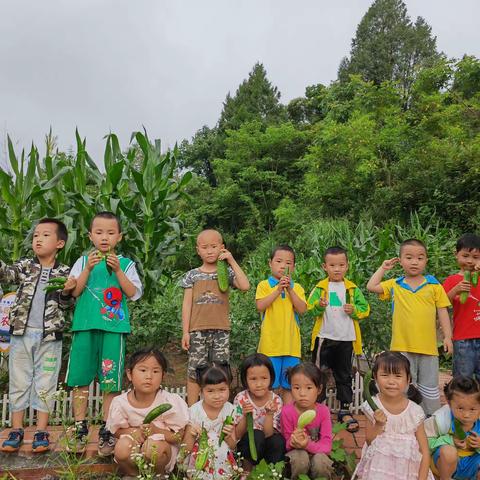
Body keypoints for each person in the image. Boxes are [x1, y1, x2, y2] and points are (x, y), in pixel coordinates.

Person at [66, 211, 143, 455]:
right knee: (79, 379)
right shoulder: (82, 261)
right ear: (90, 236)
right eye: (99, 232)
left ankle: (107, 429)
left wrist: (119, 271)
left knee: (111, 381)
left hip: (114, 328)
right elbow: (75, 291)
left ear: (119, 237)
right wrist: (87, 269)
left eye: (110, 233)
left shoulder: (127, 264)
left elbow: (132, 293)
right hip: (85, 326)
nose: (104, 237)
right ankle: (80, 427)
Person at [0, 218, 76, 453]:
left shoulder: (65, 272)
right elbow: (6, 275)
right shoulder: (25, 266)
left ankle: (41, 431)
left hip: (50, 337)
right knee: (19, 381)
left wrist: (66, 290)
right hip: (21, 334)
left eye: (45, 235)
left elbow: (66, 305)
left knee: (46, 382)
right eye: (35, 236)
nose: (38, 239)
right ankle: (16, 429)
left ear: (60, 243)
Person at [367, 238, 453, 415]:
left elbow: (442, 311)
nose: (415, 262)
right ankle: (404, 419)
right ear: (400, 260)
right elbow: (371, 286)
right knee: (403, 385)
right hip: (401, 348)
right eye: (409, 257)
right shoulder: (395, 284)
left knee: (429, 387)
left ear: (426, 261)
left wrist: (447, 337)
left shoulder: (434, 285)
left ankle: (430, 422)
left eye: (420, 258)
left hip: (428, 348)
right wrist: (383, 268)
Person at [180, 229, 249, 406]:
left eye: (214, 246)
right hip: (196, 331)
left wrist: (231, 260)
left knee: (220, 369)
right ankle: (192, 411)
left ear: (222, 248)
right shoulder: (192, 275)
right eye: (205, 247)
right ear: (198, 250)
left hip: (221, 330)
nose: (209, 251)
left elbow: (245, 285)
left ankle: (221, 409)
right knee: (195, 371)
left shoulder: (225, 272)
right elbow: (187, 305)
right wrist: (185, 332)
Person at [307, 246, 370, 433]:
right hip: (324, 338)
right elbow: (310, 308)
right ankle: (317, 409)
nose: (337, 269)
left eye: (341, 265)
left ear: (347, 266)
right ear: (324, 266)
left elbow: (365, 309)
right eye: (332, 265)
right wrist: (319, 305)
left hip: (346, 339)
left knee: (344, 375)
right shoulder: (320, 288)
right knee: (319, 374)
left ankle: (345, 410)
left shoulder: (352, 289)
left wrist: (355, 311)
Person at [106, 347, 189, 477]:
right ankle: (134, 475)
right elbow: (116, 430)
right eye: (143, 370)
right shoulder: (120, 402)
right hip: (134, 449)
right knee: (122, 448)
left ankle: (158, 476)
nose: (149, 376)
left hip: (162, 451)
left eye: (155, 371)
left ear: (163, 376)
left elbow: (178, 436)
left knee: (152, 448)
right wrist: (133, 432)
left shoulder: (169, 402)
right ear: (129, 374)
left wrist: (157, 431)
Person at [355, 351, 433, 480]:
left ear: (408, 379)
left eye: (398, 376)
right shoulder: (373, 405)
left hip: (407, 471)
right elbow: (369, 440)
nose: (391, 381)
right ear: (375, 377)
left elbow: (424, 451)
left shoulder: (415, 411)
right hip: (378, 470)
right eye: (385, 375)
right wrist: (379, 424)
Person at [256, 245, 307, 403]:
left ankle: (286, 419)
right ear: (270, 263)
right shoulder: (264, 285)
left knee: (289, 385)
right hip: (270, 346)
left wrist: (290, 289)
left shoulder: (297, 287)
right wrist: (278, 290)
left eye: (288, 263)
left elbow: (302, 309)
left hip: (291, 346)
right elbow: (260, 306)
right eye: (278, 261)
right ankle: (267, 420)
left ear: (294, 267)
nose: (283, 266)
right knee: (268, 384)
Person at [183, 364, 237, 479]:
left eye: (222, 389)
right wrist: (192, 434)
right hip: (200, 459)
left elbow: (233, 446)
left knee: (219, 446)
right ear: (201, 391)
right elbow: (185, 448)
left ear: (229, 388)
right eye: (210, 391)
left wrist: (227, 437)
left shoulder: (230, 410)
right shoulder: (194, 411)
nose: (217, 396)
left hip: (222, 458)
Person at [280, 362, 333, 480]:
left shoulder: (323, 411)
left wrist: (307, 444)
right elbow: (286, 444)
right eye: (296, 387)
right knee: (300, 459)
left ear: (319, 389)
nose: (302, 393)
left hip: (318, 452)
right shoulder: (287, 412)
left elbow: (327, 446)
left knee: (321, 463)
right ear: (291, 388)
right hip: (296, 453)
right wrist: (292, 442)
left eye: (309, 388)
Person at [233, 353, 285, 468]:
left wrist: (269, 414)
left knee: (278, 441)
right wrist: (246, 417)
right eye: (253, 379)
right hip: (247, 445)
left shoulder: (275, 400)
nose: (259, 384)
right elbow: (237, 434)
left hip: (266, 443)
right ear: (245, 380)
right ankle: (247, 471)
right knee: (256, 435)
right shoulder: (241, 398)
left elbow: (268, 434)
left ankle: (272, 473)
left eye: (264, 378)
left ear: (271, 378)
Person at [425, 376, 480, 480]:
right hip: (444, 466)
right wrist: (450, 440)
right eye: (460, 408)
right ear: (449, 403)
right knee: (448, 451)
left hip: (471, 466)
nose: (466, 415)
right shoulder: (440, 419)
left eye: (472, 409)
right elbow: (424, 443)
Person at [443, 233, 480, 378]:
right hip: (462, 338)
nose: (470, 261)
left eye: (476, 257)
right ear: (456, 255)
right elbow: (442, 304)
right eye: (465, 256)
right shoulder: (452, 280)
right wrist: (455, 291)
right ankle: (461, 401)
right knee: (462, 379)